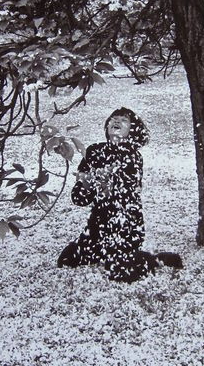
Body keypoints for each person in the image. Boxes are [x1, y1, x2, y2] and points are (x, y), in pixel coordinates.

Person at [57, 107, 183, 283]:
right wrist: (86, 183)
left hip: (125, 228)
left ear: (132, 130)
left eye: (123, 120)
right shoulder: (93, 151)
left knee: (123, 274)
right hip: (97, 229)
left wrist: (101, 180)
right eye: (113, 118)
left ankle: (152, 259)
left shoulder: (133, 156)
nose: (116, 121)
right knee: (66, 260)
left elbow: (124, 195)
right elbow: (78, 198)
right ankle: (106, 252)